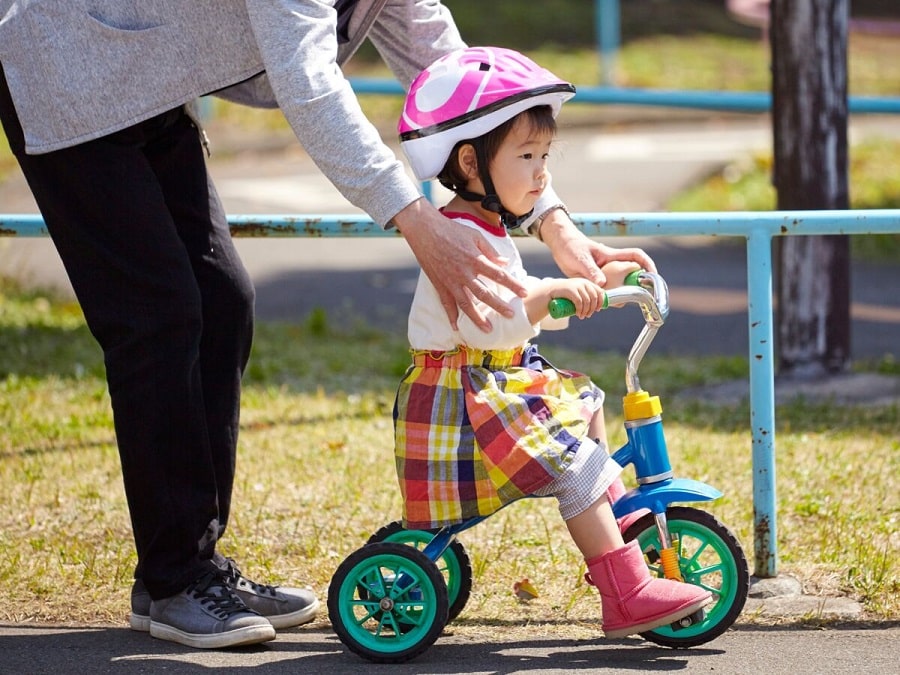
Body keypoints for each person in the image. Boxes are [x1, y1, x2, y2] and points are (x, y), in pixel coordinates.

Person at [0, 1, 655, 649]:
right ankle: (178, 577)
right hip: (64, 67)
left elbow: (458, 73)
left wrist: (554, 222)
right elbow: (308, 84)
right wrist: (415, 219)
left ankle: (187, 567)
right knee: (160, 316)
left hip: (146, 83)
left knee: (223, 301)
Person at [393, 47, 711, 639]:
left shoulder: (481, 225)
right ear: (469, 163)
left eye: (545, 156)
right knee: (577, 460)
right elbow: (491, 323)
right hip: (465, 394)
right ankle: (625, 591)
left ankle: (615, 524)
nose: (542, 175)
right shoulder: (460, 237)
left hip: (495, 381)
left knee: (584, 407)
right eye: (527, 156)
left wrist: (602, 279)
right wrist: (549, 295)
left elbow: (525, 298)